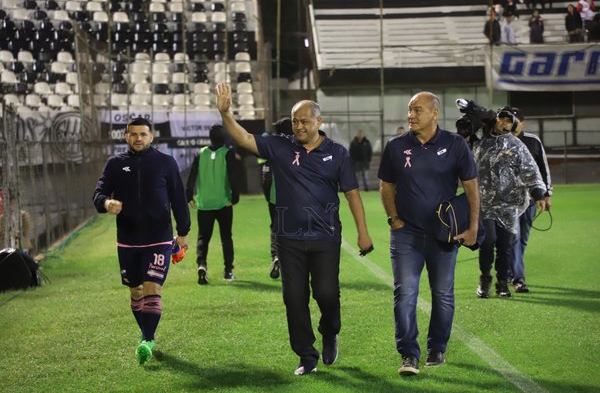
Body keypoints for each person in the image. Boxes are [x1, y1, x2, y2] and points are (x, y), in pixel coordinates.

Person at [215, 82, 373, 376]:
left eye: (304, 121)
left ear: (319, 121)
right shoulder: (280, 146)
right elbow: (246, 138)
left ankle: (329, 331)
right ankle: (306, 355)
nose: (298, 126)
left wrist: (363, 232)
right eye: (295, 121)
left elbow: (352, 193)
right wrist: (226, 115)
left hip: (325, 237)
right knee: (293, 298)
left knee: (326, 294)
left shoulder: (337, 153)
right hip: (288, 238)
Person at [378, 92, 480, 376]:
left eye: (418, 110)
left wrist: (472, 227)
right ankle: (408, 354)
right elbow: (386, 186)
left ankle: (437, 348)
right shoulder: (396, 146)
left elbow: (471, 186)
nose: (411, 115)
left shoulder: (455, 144)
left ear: (435, 113)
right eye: (410, 110)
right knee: (405, 293)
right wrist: (393, 219)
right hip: (406, 234)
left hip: (443, 235)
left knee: (443, 294)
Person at [93, 117, 191, 365]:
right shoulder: (115, 164)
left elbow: (179, 199)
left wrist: (183, 233)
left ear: (151, 136)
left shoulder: (166, 163)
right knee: (136, 291)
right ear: (126, 136)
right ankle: (147, 333)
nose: (138, 138)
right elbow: (99, 193)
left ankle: (147, 339)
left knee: (152, 287)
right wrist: (106, 203)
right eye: (133, 134)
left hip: (158, 238)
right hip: (127, 240)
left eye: (143, 134)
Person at [473, 107, 546, 299]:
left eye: (508, 121)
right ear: (495, 120)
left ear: (512, 124)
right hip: (485, 204)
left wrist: (539, 194)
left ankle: (502, 283)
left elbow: (530, 171)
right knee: (487, 242)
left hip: (509, 206)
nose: (504, 123)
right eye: (501, 119)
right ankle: (485, 278)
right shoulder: (481, 142)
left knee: (505, 246)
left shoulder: (517, 145)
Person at [186, 124, 242, 284]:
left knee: (203, 237)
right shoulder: (228, 153)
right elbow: (233, 177)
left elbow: (192, 176)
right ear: (225, 137)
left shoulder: (200, 153)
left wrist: (189, 195)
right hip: (224, 203)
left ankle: (202, 265)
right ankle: (228, 271)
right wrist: (235, 196)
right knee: (226, 237)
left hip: (204, 204)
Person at [510, 108, 552, 293]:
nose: (512, 123)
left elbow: (543, 168)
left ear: (523, 122)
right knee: (514, 238)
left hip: (531, 200)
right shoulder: (499, 141)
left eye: (515, 120)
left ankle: (512, 270)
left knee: (523, 240)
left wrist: (546, 193)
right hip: (508, 202)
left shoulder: (533, 141)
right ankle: (519, 278)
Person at [259, 117, 294, 279]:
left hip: (275, 196)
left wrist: (267, 195)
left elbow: (266, 175)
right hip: (295, 197)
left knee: (276, 228)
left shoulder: (272, 148)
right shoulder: (298, 147)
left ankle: (277, 256)